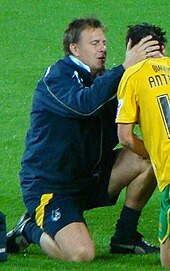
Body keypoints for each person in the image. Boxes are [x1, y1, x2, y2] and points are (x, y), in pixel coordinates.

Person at [7, 17, 160, 262]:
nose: (102, 48)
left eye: (104, 42)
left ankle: (125, 236)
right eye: (94, 43)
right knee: (81, 254)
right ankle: (29, 228)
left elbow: (145, 116)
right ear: (74, 49)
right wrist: (125, 68)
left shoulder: (108, 79)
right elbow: (85, 105)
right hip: (53, 187)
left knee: (151, 157)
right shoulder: (56, 78)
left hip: (91, 177)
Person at [115, 22, 170, 267]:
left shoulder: (133, 76)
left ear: (131, 48)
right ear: (163, 48)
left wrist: (152, 155)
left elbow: (125, 137)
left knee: (167, 259)